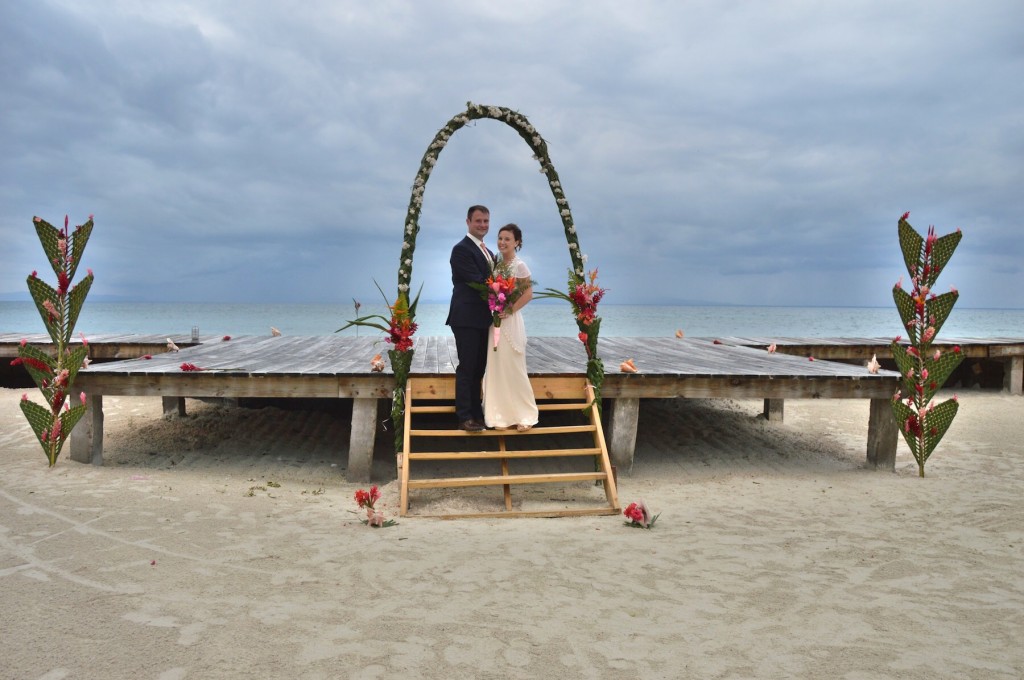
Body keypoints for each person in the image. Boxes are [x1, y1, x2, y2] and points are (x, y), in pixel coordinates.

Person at [482, 224, 539, 431]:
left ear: (517, 242)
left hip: (511, 320)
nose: (502, 242)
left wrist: (510, 309)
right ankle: (500, 416)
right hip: (495, 319)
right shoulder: (495, 265)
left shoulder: (520, 266)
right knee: (497, 367)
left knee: (514, 366)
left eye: (507, 239)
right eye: (500, 238)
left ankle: (524, 415)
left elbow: (528, 293)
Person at [446, 205, 493, 431]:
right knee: (467, 367)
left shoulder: (488, 251)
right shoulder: (461, 249)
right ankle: (464, 416)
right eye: (478, 221)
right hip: (465, 317)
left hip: (483, 318)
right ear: (468, 222)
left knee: (479, 368)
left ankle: (477, 413)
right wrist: (501, 290)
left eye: (485, 221)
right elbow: (477, 281)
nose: (482, 225)